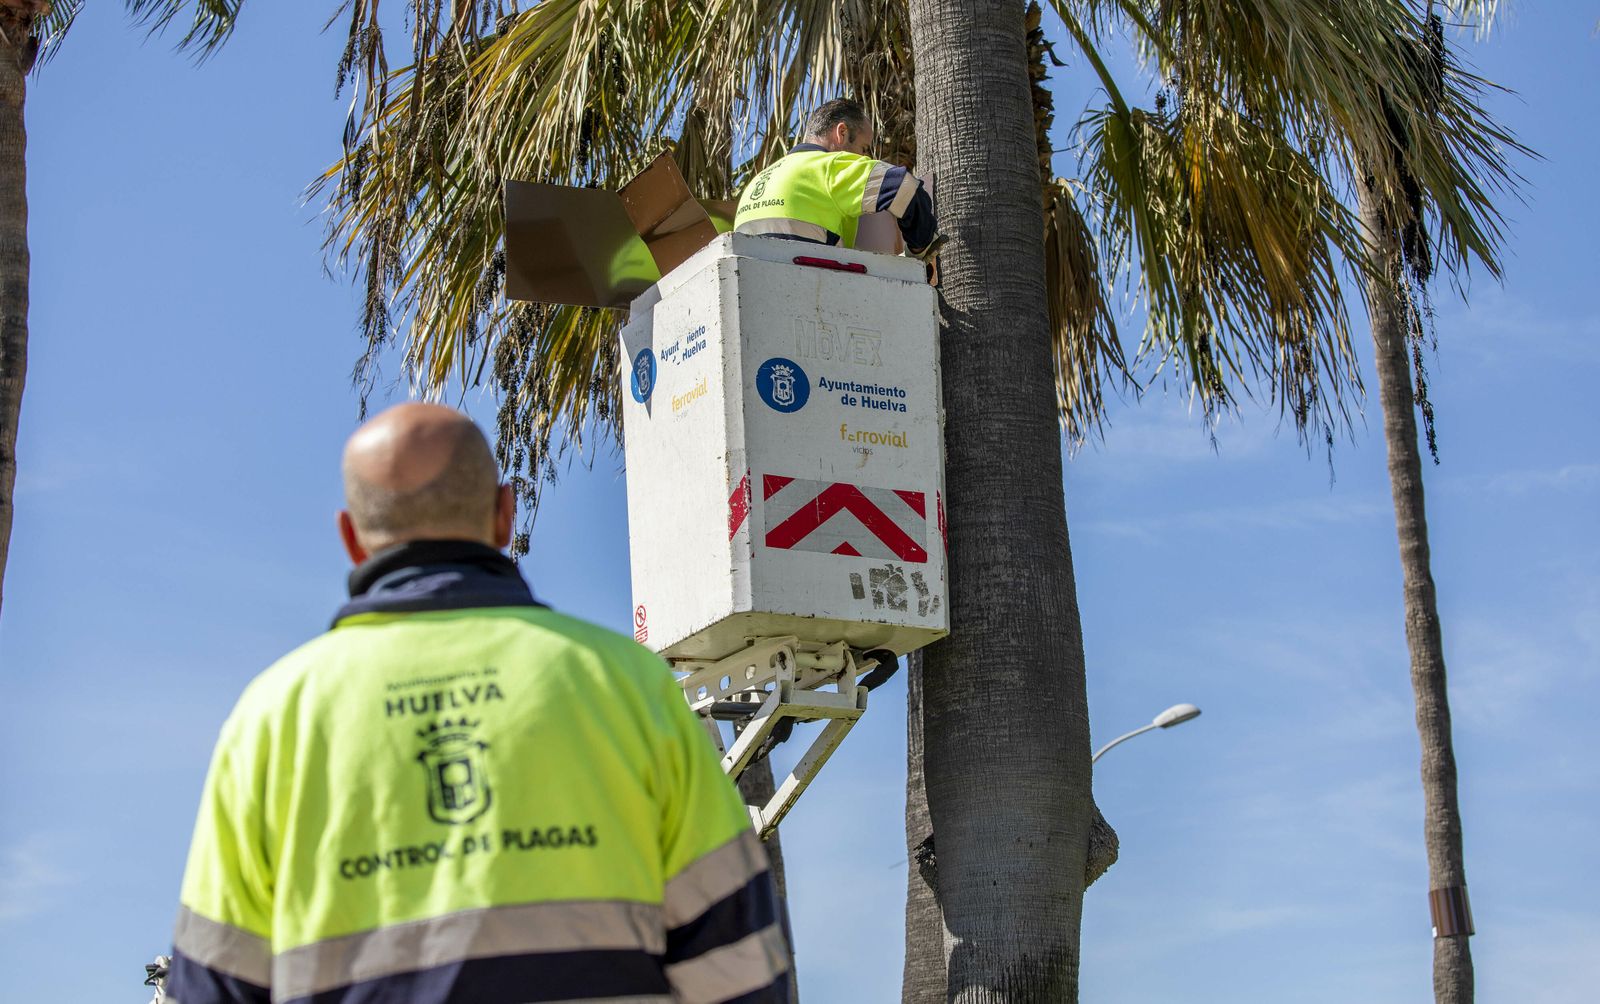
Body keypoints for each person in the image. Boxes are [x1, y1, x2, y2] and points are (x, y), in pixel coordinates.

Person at [166, 403, 789, 1004]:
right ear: (504, 516)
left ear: (351, 538)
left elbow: (212, 985)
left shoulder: (273, 719)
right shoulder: (628, 686)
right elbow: (739, 972)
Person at [734, 98, 937, 254]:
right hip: (812, 284)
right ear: (842, 133)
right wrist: (919, 248)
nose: (865, 158)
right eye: (864, 148)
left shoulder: (759, 180)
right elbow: (905, 187)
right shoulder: (829, 166)